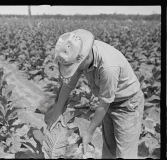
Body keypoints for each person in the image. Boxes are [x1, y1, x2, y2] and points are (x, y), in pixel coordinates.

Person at [45, 29, 144, 158]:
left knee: (125, 154)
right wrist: (58, 111)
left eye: (76, 66)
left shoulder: (109, 68)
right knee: (109, 150)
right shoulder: (78, 51)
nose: (75, 70)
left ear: (84, 58)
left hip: (127, 105)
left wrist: (89, 132)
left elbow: (104, 103)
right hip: (109, 103)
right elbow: (69, 84)